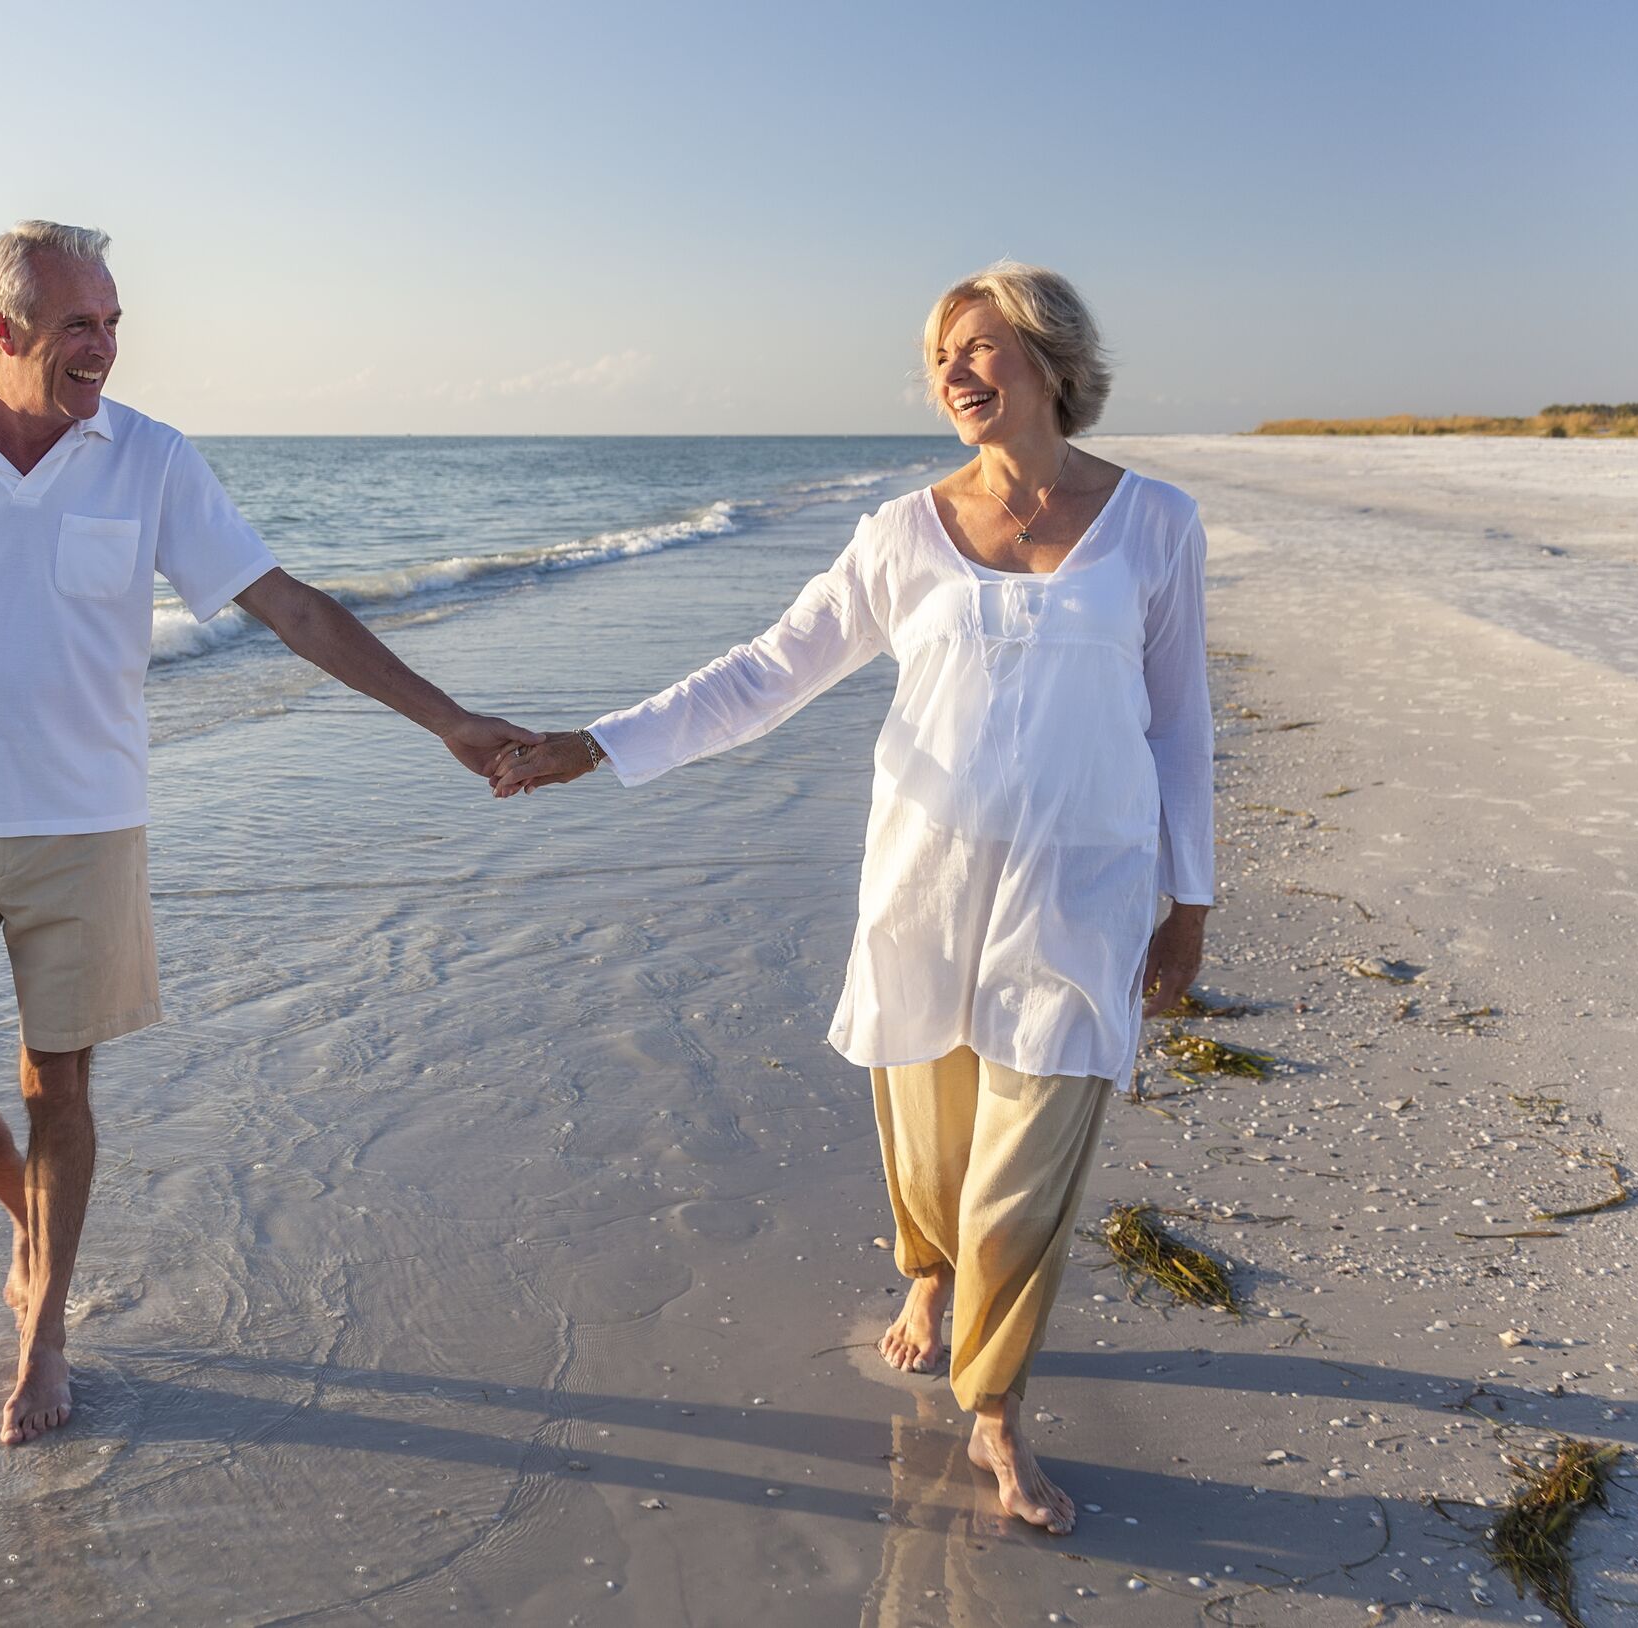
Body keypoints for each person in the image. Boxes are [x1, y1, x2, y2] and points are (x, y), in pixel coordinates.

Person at [0, 221, 533, 1446]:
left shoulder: (150, 460)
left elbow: (287, 606)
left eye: (114, 323)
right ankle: (29, 1211)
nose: (105, 348)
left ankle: (44, 1328)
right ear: (3, 331)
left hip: (86, 832)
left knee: (57, 1082)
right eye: (79, 326)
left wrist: (440, 718)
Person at [495, 261, 1214, 1535]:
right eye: (940, 353)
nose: (953, 372)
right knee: (931, 1148)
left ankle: (993, 1408)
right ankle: (924, 1276)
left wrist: (1189, 896)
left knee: (1026, 1161)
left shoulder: (1153, 523)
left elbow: (1178, 726)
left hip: (1081, 886)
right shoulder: (900, 531)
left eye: (979, 347)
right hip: (925, 885)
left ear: (1050, 363)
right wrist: (597, 741)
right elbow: (769, 669)